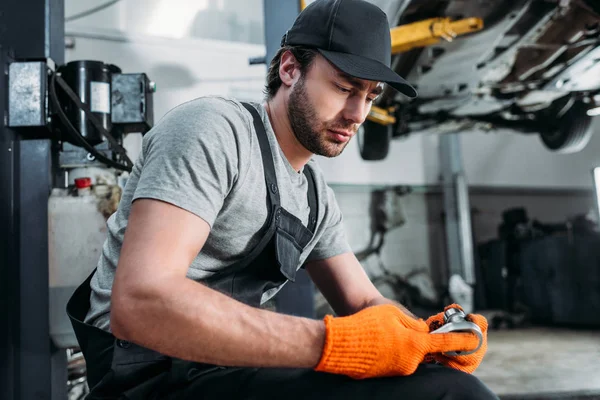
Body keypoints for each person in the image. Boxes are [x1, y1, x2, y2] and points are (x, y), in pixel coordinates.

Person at [67, 0, 500, 399]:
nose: (358, 114)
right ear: (290, 68)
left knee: (446, 383)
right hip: (150, 377)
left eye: (370, 97)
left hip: (227, 369)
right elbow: (142, 302)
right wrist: (333, 344)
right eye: (345, 87)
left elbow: (367, 304)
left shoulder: (313, 195)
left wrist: (426, 338)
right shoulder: (214, 130)